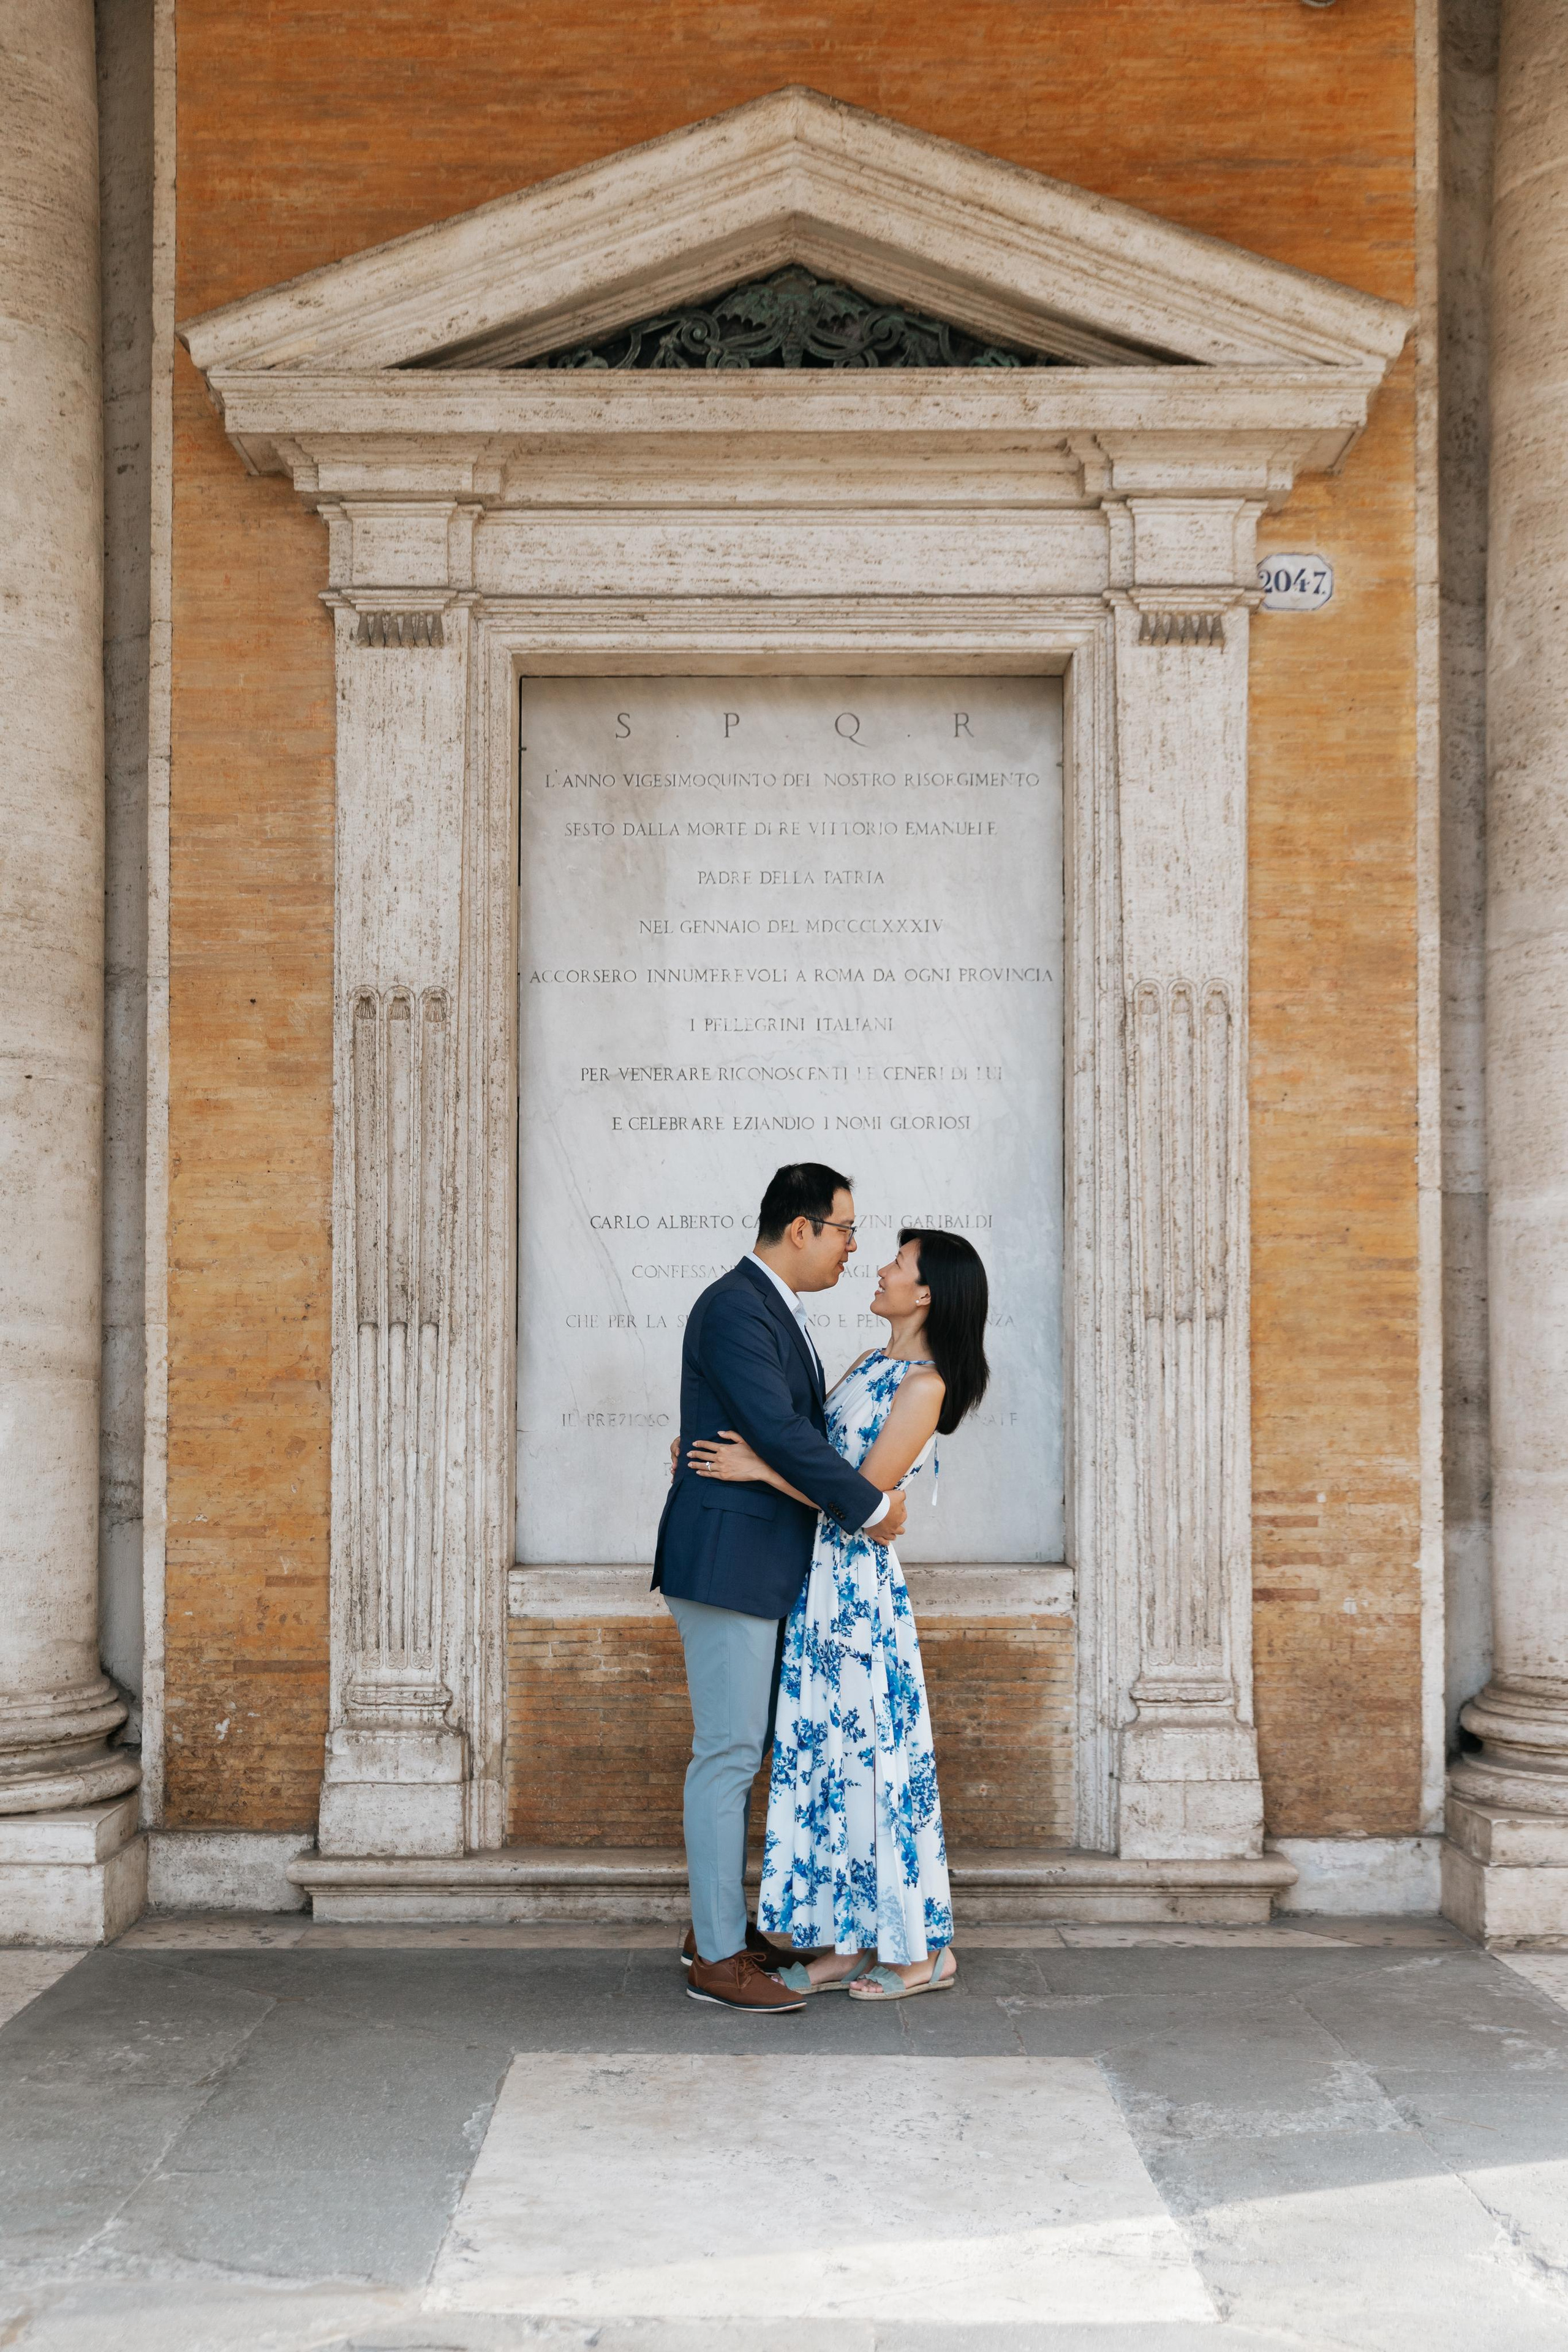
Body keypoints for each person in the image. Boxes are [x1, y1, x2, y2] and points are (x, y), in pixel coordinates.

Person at [688, 1226, 989, 2001]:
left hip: (857, 1596)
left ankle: (924, 1954)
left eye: (897, 1264)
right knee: (828, 1765)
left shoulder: (926, 1386)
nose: (880, 1269)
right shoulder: (865, 1363)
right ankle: (851, 1942)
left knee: (879, 1766)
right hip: (813, 1584)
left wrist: (756, 1469)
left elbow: (859, 1498)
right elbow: (824, 1466)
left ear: (925, 1294)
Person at [654, 1163, 910, 2013]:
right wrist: (872, 1506)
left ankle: (718, 1927)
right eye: (844, 1229)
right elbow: (779, 1433)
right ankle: (716, 1962)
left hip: (757, 1562)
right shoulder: (737, 1307)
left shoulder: (773, 1310)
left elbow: (781, 1435)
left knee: (743, 1753)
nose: (852, 1247)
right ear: (799, 1229)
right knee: (725, 1755)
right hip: (727, 1561)